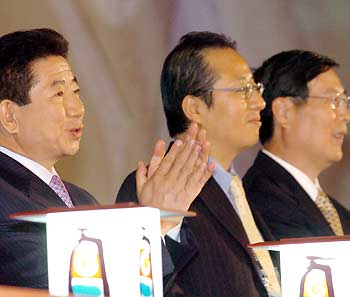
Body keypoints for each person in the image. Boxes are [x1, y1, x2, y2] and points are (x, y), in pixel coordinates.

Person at [0, 28, 213, 289]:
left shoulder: (82, 199)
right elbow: (61, 283)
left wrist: (164, 224)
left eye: (76, 91)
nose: (78, 108)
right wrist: (152, 227)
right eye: (59, 94)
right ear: (9, 115)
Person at [117, 31, 281, 297]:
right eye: (244, 89)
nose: (260, 103)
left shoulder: (238, 192)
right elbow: (135, 286)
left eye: (256, 88)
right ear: (194, 108)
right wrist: (159, 221)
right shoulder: (151, 186)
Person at [243, 50, 350, 240]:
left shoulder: (339, 213)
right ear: (284, 112)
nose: (346, 115)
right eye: (334, 101)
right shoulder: (261, 201)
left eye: (345, 102)